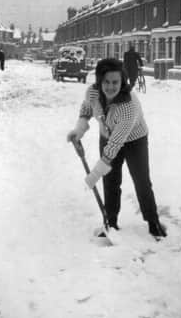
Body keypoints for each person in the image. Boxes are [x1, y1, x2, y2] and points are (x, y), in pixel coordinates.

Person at [66, 58, 167, 238]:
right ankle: (111, 223)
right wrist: (79, 129)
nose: (111, 87)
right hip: (107, 135)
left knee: (141, 180)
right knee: (111, 181)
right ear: (99, 81)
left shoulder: (129, 106)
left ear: (123, 82)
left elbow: (114, 146)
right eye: (106, 82)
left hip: (135, 139)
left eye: (115, 82)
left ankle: (153, 222)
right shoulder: (92, 93)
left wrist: (93, 175)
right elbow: (87, 108)